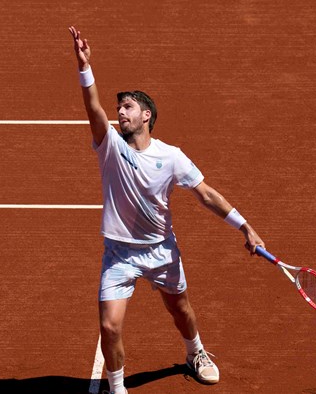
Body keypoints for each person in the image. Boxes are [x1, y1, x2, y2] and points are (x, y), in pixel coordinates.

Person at [68, 26, 265, 393]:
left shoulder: (171, 156)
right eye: (119, 109)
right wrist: (85, 67)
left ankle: (196, 352)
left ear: (146, 116)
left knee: (181, 311)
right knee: (109, 326)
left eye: (127, 108)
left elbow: (205, 194)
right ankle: (118, 387)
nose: (119, 114)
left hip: (161, 250)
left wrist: (245, 227)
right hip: (119, 253)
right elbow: (92, 106)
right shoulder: (109, 145)